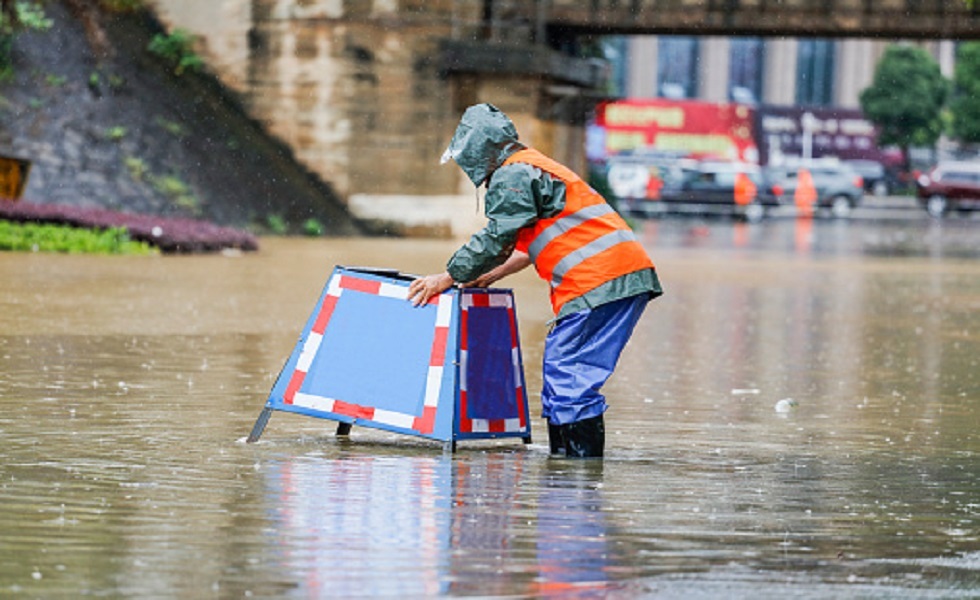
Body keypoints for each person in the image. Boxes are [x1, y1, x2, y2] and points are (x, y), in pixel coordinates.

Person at [407, 103, 663, 458]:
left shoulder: (512, 174)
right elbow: (529, 246)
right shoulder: (534, 166)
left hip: (598, 282)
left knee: (569, 375)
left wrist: (447, 276)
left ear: (479, 149)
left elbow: (497, 236)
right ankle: (566, 473)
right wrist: (491, 274)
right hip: (613, 279)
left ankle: (577, 481)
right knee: (564, 372)